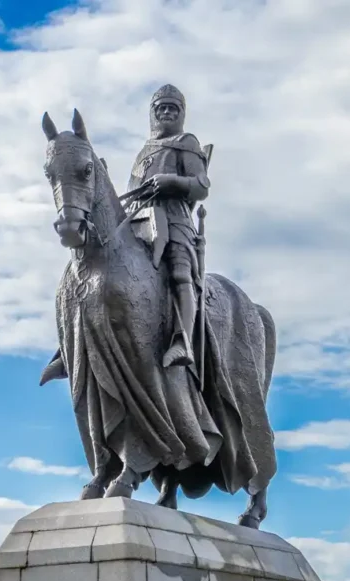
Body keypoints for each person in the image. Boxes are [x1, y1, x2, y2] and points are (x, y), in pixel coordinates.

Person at [125, 84, 211, 370]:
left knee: (179, 270)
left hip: (175, 218)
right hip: (139, 220)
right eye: (160, 108)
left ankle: (182, 340)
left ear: (181, 113)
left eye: (172, 108)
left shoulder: (186, 142)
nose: (166, 112)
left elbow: (201, 186)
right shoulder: (143, 152)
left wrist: (171, 181)